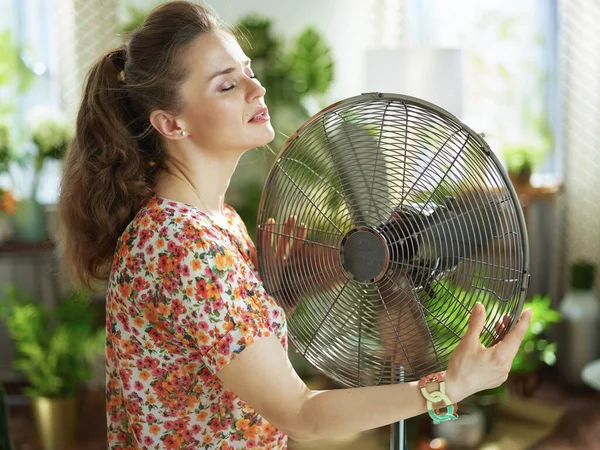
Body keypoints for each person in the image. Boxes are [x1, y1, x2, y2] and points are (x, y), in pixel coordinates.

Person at [57, 2, 532, 449]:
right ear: (171, 124)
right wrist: (450, 386)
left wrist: (275, 296)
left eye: (250, 72)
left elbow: (209, 350)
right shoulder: (187, 245)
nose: (256, 89)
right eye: (227, 85)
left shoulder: (211, 222)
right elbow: (301, 413)